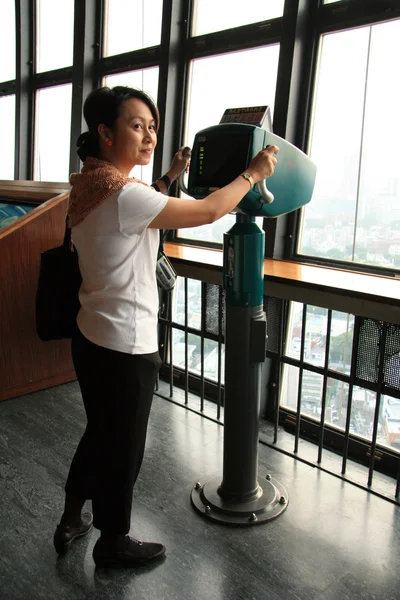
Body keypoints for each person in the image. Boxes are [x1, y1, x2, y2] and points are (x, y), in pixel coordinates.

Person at [53, 85, 278, 568]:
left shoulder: (89, 184)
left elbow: (138, 208)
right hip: (125, 345)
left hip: (90, 335)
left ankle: (73, 515)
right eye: (138, 126)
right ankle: (113, 542)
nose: (150, 135)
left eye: (153, 127)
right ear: (106, 133)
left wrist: (172, 175)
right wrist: (252, 173)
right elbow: (209, 211)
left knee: (98, 434)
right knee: (124, 449)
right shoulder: (125, 195)